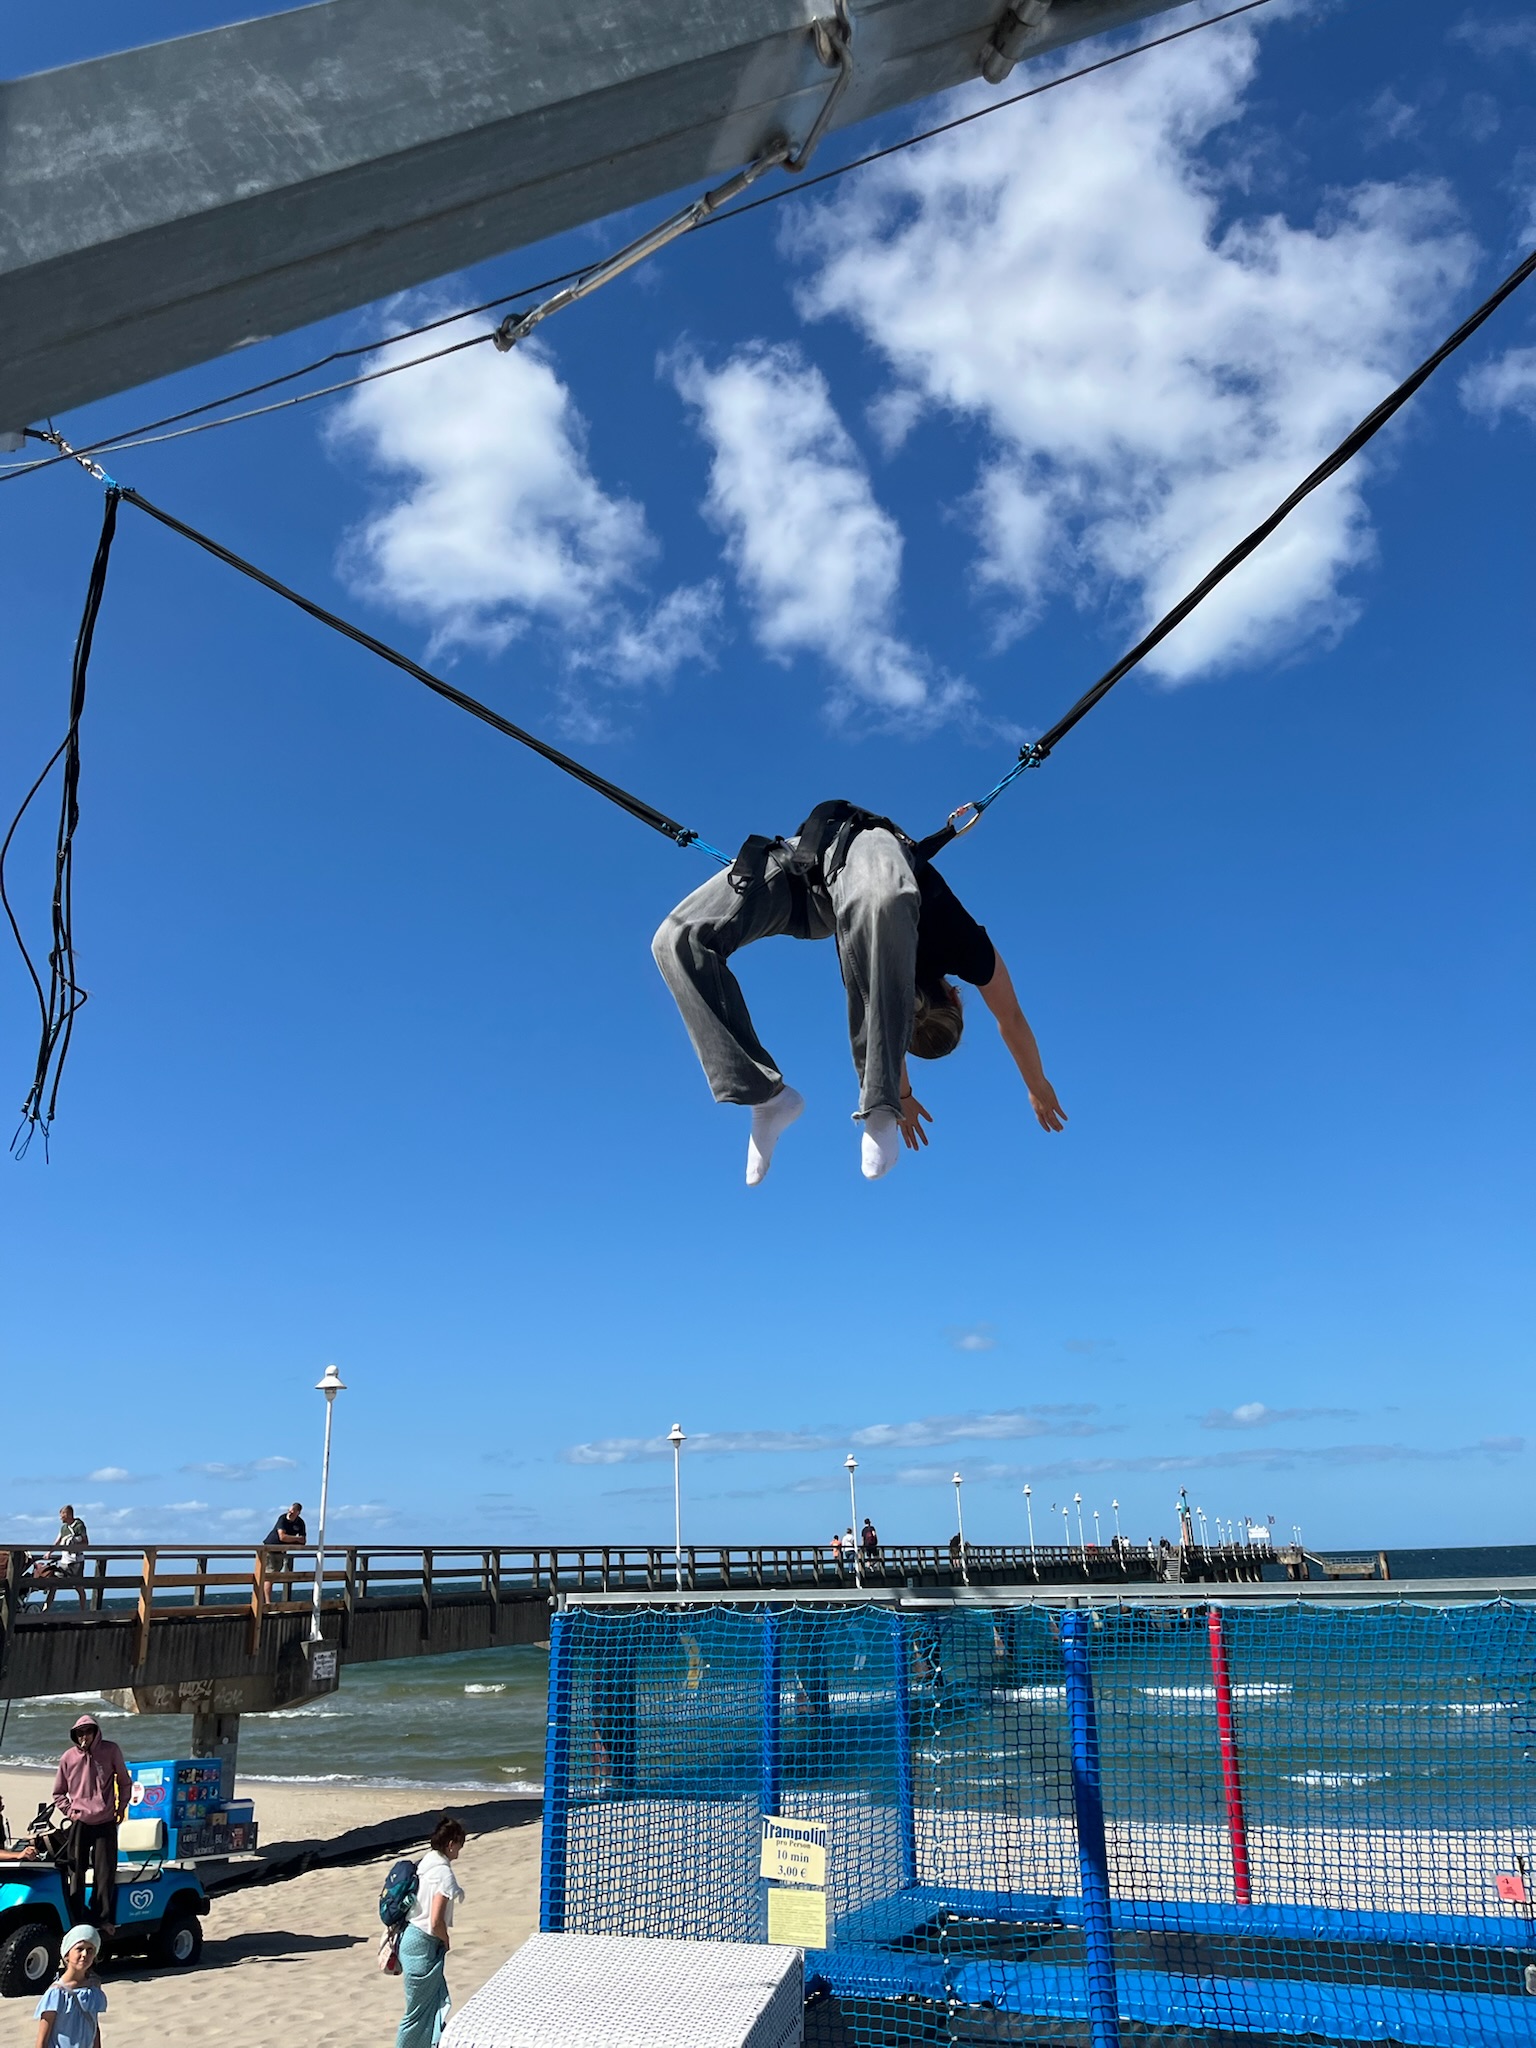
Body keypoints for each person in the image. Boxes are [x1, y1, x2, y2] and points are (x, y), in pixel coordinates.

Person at [652, 800, 1065, 1184]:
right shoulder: (957, 952)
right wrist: (906, 1093)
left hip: (819, 892)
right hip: (832, 859)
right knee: (679, 940)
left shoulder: (967, 956)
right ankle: (784, 1095)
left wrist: (1037, 1083)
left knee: (680, 939)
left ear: (955, 996)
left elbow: (1009, 1018)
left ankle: (792, 1101)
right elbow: (904, 1026)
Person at [52, 1715, 131, 1931]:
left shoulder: (110, 1750)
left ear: (96, 1732)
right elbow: (58, 1793)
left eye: (88, 1731)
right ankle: (76, 1917)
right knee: (76, 1870)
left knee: (104, 1872)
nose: (84, 1736)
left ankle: (101, 1918)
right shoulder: (68, 1757)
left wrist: (121, 1807)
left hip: (105, 1820)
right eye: (80, 1732)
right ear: (74, 1735)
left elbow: (124, 1781)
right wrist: (71, 1812)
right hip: (80, 1822)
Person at [397, 1815, 467, 2048]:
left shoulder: (425, 1863)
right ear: (451, 1844)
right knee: (416, 2013)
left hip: (410, 1937)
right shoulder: (443, 1875)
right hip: (423, 1943)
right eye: (459, 1844)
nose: (459, 1850)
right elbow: (436, 1920)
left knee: (427, 2004)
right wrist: (445, 1940)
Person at [32, 1925, 106, 2048]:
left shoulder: (94, 1988)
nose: (84, 1954)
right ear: (67, 1954)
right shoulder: (56, 1993)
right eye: (79, 1949)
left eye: (90, 1950)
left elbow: (94, 2027)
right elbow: (42, 2040)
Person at [31, 1507, 89, 1613]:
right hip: (64, 1562)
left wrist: (75, 1542)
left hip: (76, 1562)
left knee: (79, 1587)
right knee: (54, 1584)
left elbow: (86, 1543)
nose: (60, 1517)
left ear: (67, 1514)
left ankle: (83, 1612)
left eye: (62, 1514)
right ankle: (45, 1610)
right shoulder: (63, 1528)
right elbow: (57, 1542)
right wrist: (49, 1553)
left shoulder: (79, 1526)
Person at [261, 1502, 306, 1604]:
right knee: (270, 1575)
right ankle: (267, 1603)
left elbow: (303, 1541)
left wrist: (294, 1540)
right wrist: (296, 1539)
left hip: (281, 1551)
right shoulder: (282, 1519)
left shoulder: (300, 1523)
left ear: (298, 1512)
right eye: (289, 1510)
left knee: (276, 1574)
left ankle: (267, 1600)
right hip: (270, 1548)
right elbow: (282, 1536)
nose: (289, 1513)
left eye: (292, 1511)